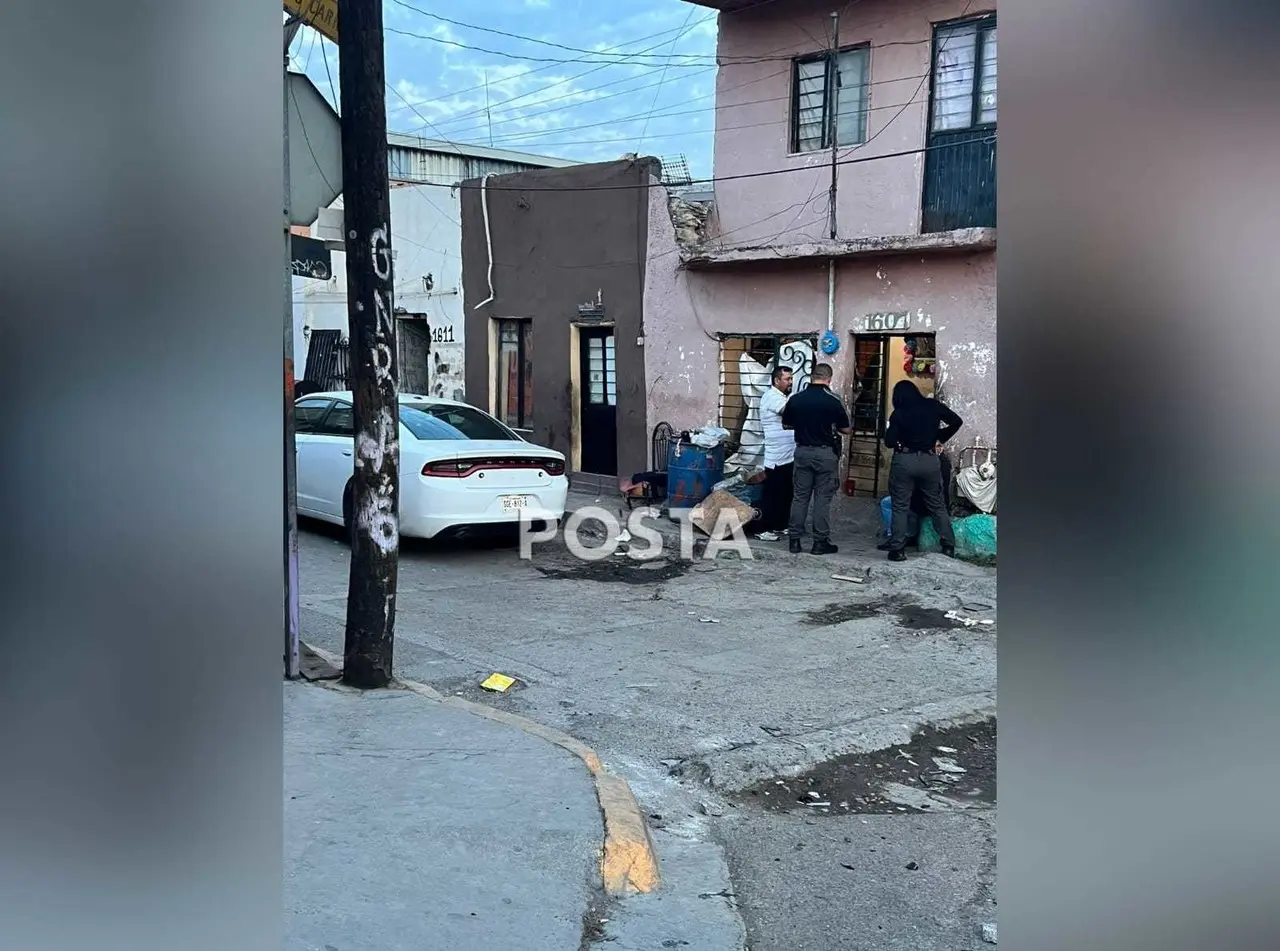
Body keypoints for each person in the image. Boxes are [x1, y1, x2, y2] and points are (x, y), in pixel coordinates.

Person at [882, 380, 962, 561]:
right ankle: (948, 545)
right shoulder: (932, 406)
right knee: (937, 504)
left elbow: (889, 441)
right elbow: (957, 421)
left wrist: (901, 441)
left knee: (900, 506)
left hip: (905, 460)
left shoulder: (899, 414)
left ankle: (898, 549)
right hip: (929, 460)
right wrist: (939, 436)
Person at [782, 363, 851, 555]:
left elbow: (786, 424)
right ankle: (820, 543)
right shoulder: (833, 400)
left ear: (812, 377)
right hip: (825, 454)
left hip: (802, 452)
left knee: (800, 497)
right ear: (829, 378)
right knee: (822, 499)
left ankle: (794, 541)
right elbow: (846, 429)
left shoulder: (796, 399)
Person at [753, 366, 795, 540]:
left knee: (785, 493)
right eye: (787, 379)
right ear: (777, 380)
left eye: (791, 378)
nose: (790, 382)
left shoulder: (782, 397)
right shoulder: (772, 397)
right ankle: (762, 529)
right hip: (776, 457)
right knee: (771, 494)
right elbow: (790, 413)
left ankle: (780, 525)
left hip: (788, 455)